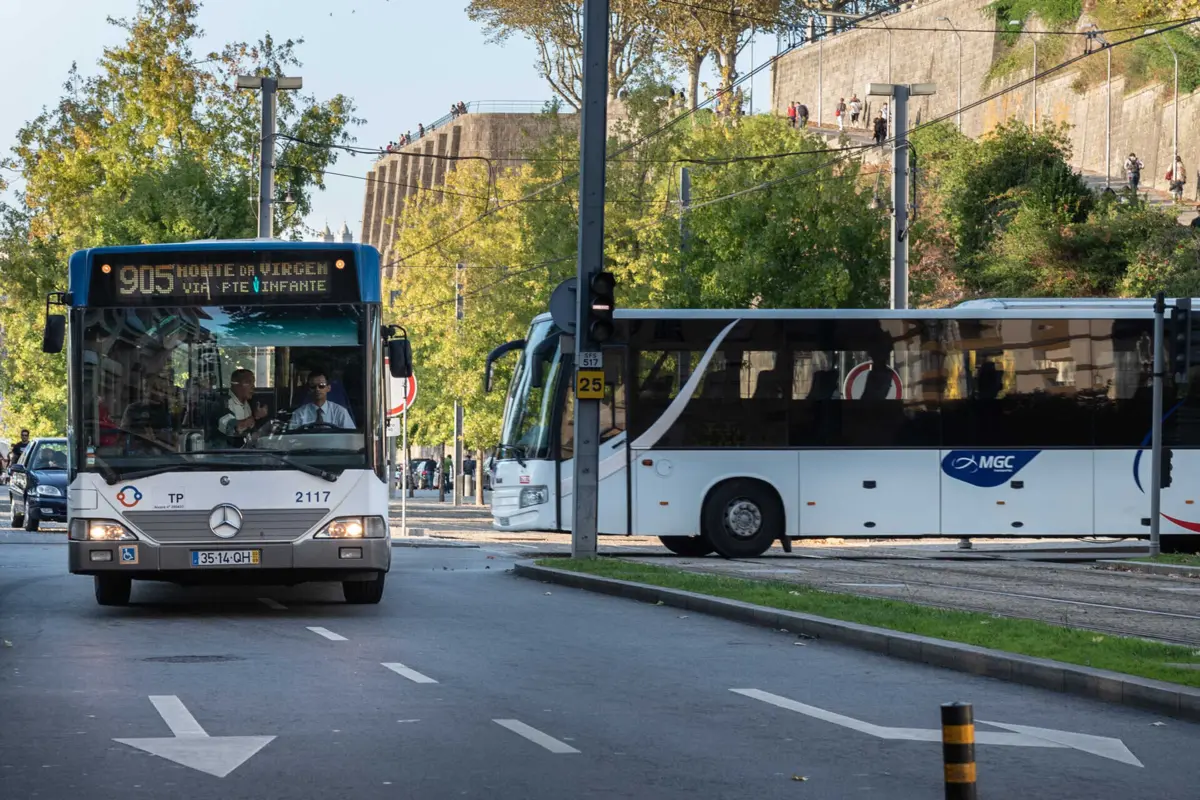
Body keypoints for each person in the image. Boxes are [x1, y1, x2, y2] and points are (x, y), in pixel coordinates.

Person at [217, 368, 268, 445]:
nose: (253, 387)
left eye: (253, 383)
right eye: (248, 382)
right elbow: (234, 428)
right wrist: (255, 416)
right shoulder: (223, 403)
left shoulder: (250, 403)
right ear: (235, 385)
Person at [289, 371, 354, 430]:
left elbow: (350, 437)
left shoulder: (340, 412)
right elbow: (291, 439)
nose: (317, 389)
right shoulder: (299, 414)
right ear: (308, 390)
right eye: (313, 386)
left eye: (321, 386)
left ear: (328, 388)